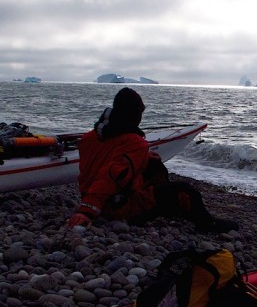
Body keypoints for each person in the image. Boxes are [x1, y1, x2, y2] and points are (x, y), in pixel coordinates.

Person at [67, 87, 238, 232]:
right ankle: (207, 223)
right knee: (185, 190)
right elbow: (109, 176)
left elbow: (104, 159)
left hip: (92, 196)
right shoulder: (135, 143)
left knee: (153, 164)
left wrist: (144, 157)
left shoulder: (89, 137)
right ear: (134, 115)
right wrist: (87, 211)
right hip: (114, 207)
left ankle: (168, 206)